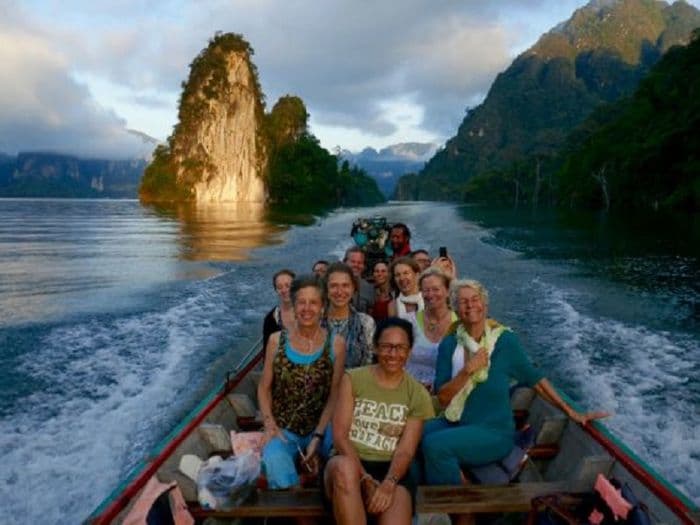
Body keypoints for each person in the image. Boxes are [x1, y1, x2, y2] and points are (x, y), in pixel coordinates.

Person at [421, 279, 609, 523]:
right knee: (416, 434)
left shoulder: (504, 341)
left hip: (493, 431)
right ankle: (430, 502)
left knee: (435, 446)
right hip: (456, 421)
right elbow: (443, 397)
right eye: (463, 302)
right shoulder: (449, 344)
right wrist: (467, 371)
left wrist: (572, 412)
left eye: (475, 299)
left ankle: (462, 511)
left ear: (485, 305)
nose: (470, 306)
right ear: (455, 308)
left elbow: (536, 380)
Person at [324, 317, 434, 525]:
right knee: (344, 469)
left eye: (400, 347)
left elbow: (406, 450)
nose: (393, 354)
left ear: (409, 352)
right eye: (386, 347)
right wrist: (364, 479)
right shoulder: (353, 379)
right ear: (375, 348)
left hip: (392, 471)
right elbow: (340, 437)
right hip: (349, 460)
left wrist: (388, 484)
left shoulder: (418, 394)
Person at [258, 274, 346, 489]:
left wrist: (317, 436)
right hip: (284, 428)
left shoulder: (336, 344)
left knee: (341, 459)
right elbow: (263, 387)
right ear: (294, 306)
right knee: (274, 461)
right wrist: (269, 424)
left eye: (313, 302)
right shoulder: (275, 341)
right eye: (301, 302)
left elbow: (335, 394)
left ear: (323, 307)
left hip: (322, 427)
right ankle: (298, 504)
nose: (307, 308)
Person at [405, 267, 457, 388]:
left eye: (435, 289)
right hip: (410, 389)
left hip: (446, 393)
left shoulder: (460, 325)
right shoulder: (408, 321)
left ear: (447, 291)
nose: (430, 294)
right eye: (426, 290)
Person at [323, 262, 376, 368]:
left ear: (353, 289)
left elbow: (368, 363)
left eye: (345, 285)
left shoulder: (366, 323)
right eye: (334, 286)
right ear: (326, 290)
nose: (339, 291)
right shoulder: (314, 323)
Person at [262, 269, 295, 350]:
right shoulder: (270, 319)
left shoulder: (311, 311)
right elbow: (267, 351)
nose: (284, 290)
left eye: (288, 286)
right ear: (276, 290)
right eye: (279, 287)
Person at [343, 246, 375, 314]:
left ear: (363, 265)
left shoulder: (369, 288)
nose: (356, 265)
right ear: (345, 262)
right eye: (353, 261)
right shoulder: (333, 284)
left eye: (360, 262)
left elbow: (370, 314)